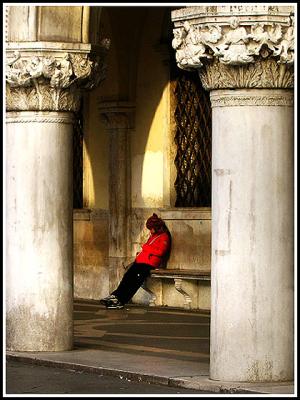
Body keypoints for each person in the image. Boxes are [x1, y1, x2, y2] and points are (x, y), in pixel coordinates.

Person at [100, 213, 171, 309]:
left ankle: (121, 301)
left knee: (135, 282)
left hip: (149, 264)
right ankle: (115, 296)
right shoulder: (153, 235)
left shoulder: (164, 237)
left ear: (157, 227)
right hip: (141, 261)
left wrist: (145, 247)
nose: (150, 230)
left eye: (151, 228)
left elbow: (160, 252)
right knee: (127, 277)